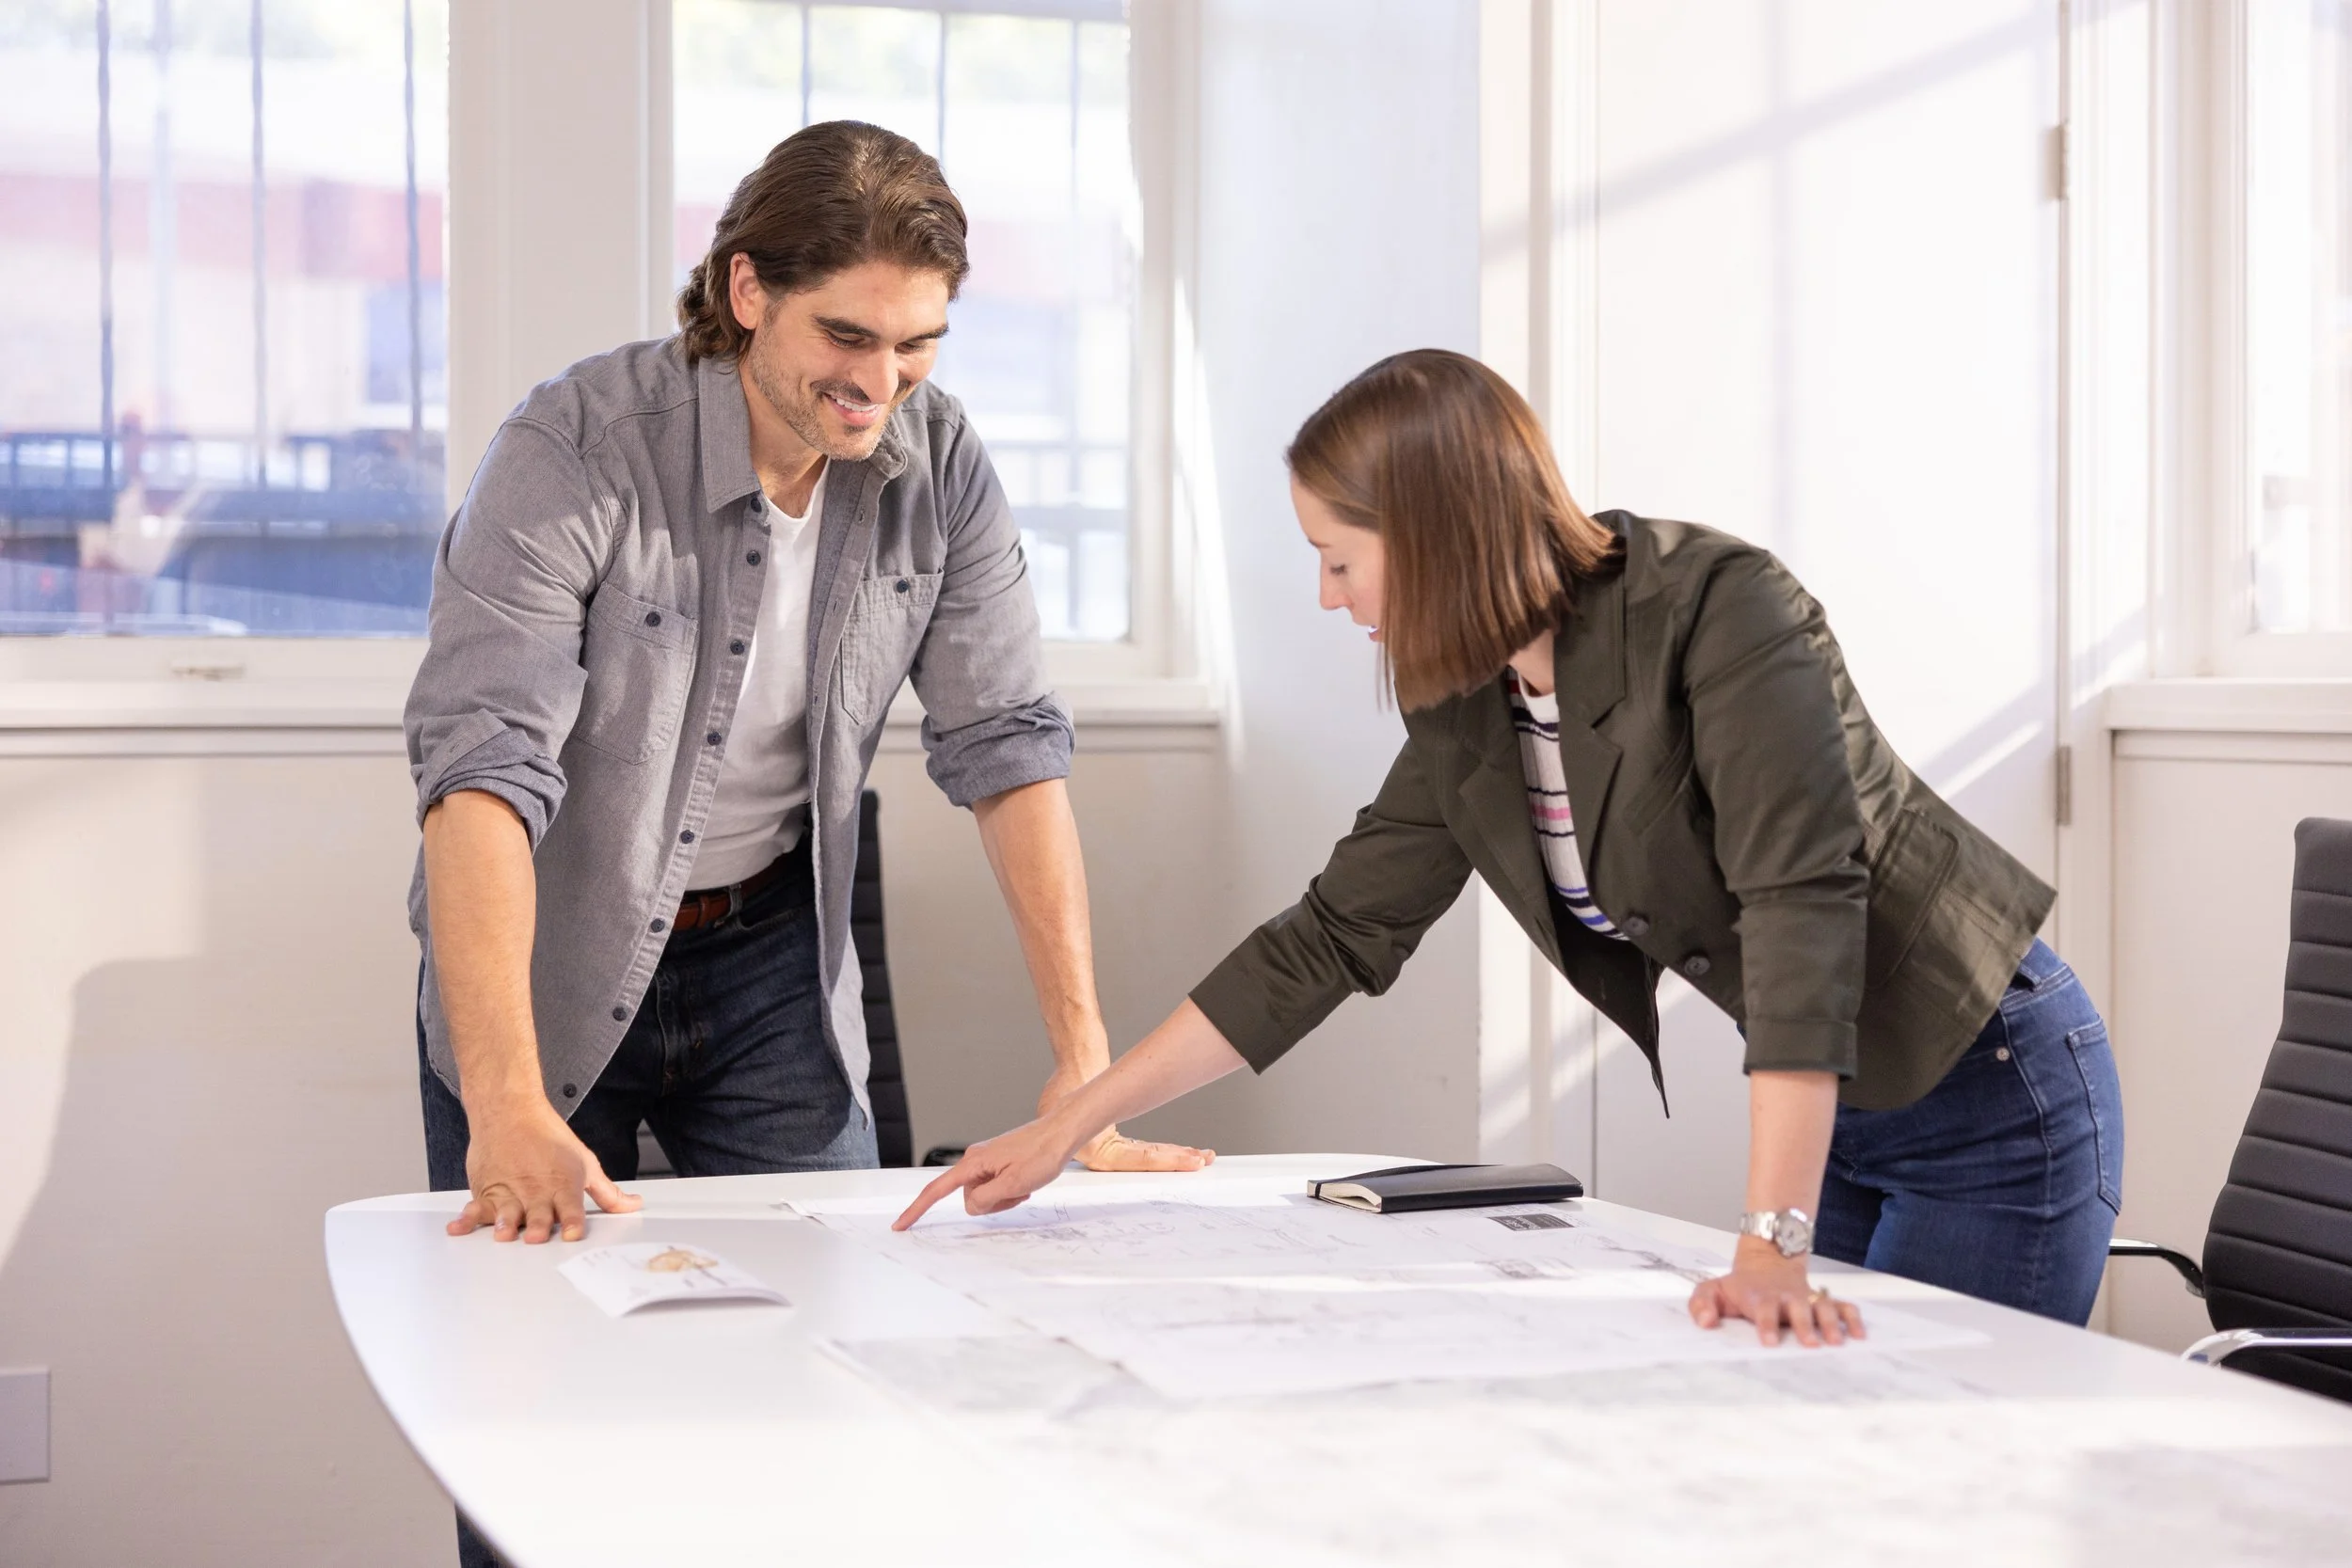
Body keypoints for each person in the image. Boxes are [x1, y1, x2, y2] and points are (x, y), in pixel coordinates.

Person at [898, 348, 2124, 1350]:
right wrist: (1073, 1121)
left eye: (1339, 559)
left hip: (1993, 1088)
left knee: (1943, 1450)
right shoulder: (1469, 703)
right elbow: (1330, 936)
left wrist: (1770, 1237)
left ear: (1430, 536)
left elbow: (1804, 912)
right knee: (1841, 1436)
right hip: (1846, 1106)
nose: (1330, 597)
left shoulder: (1723, 610)